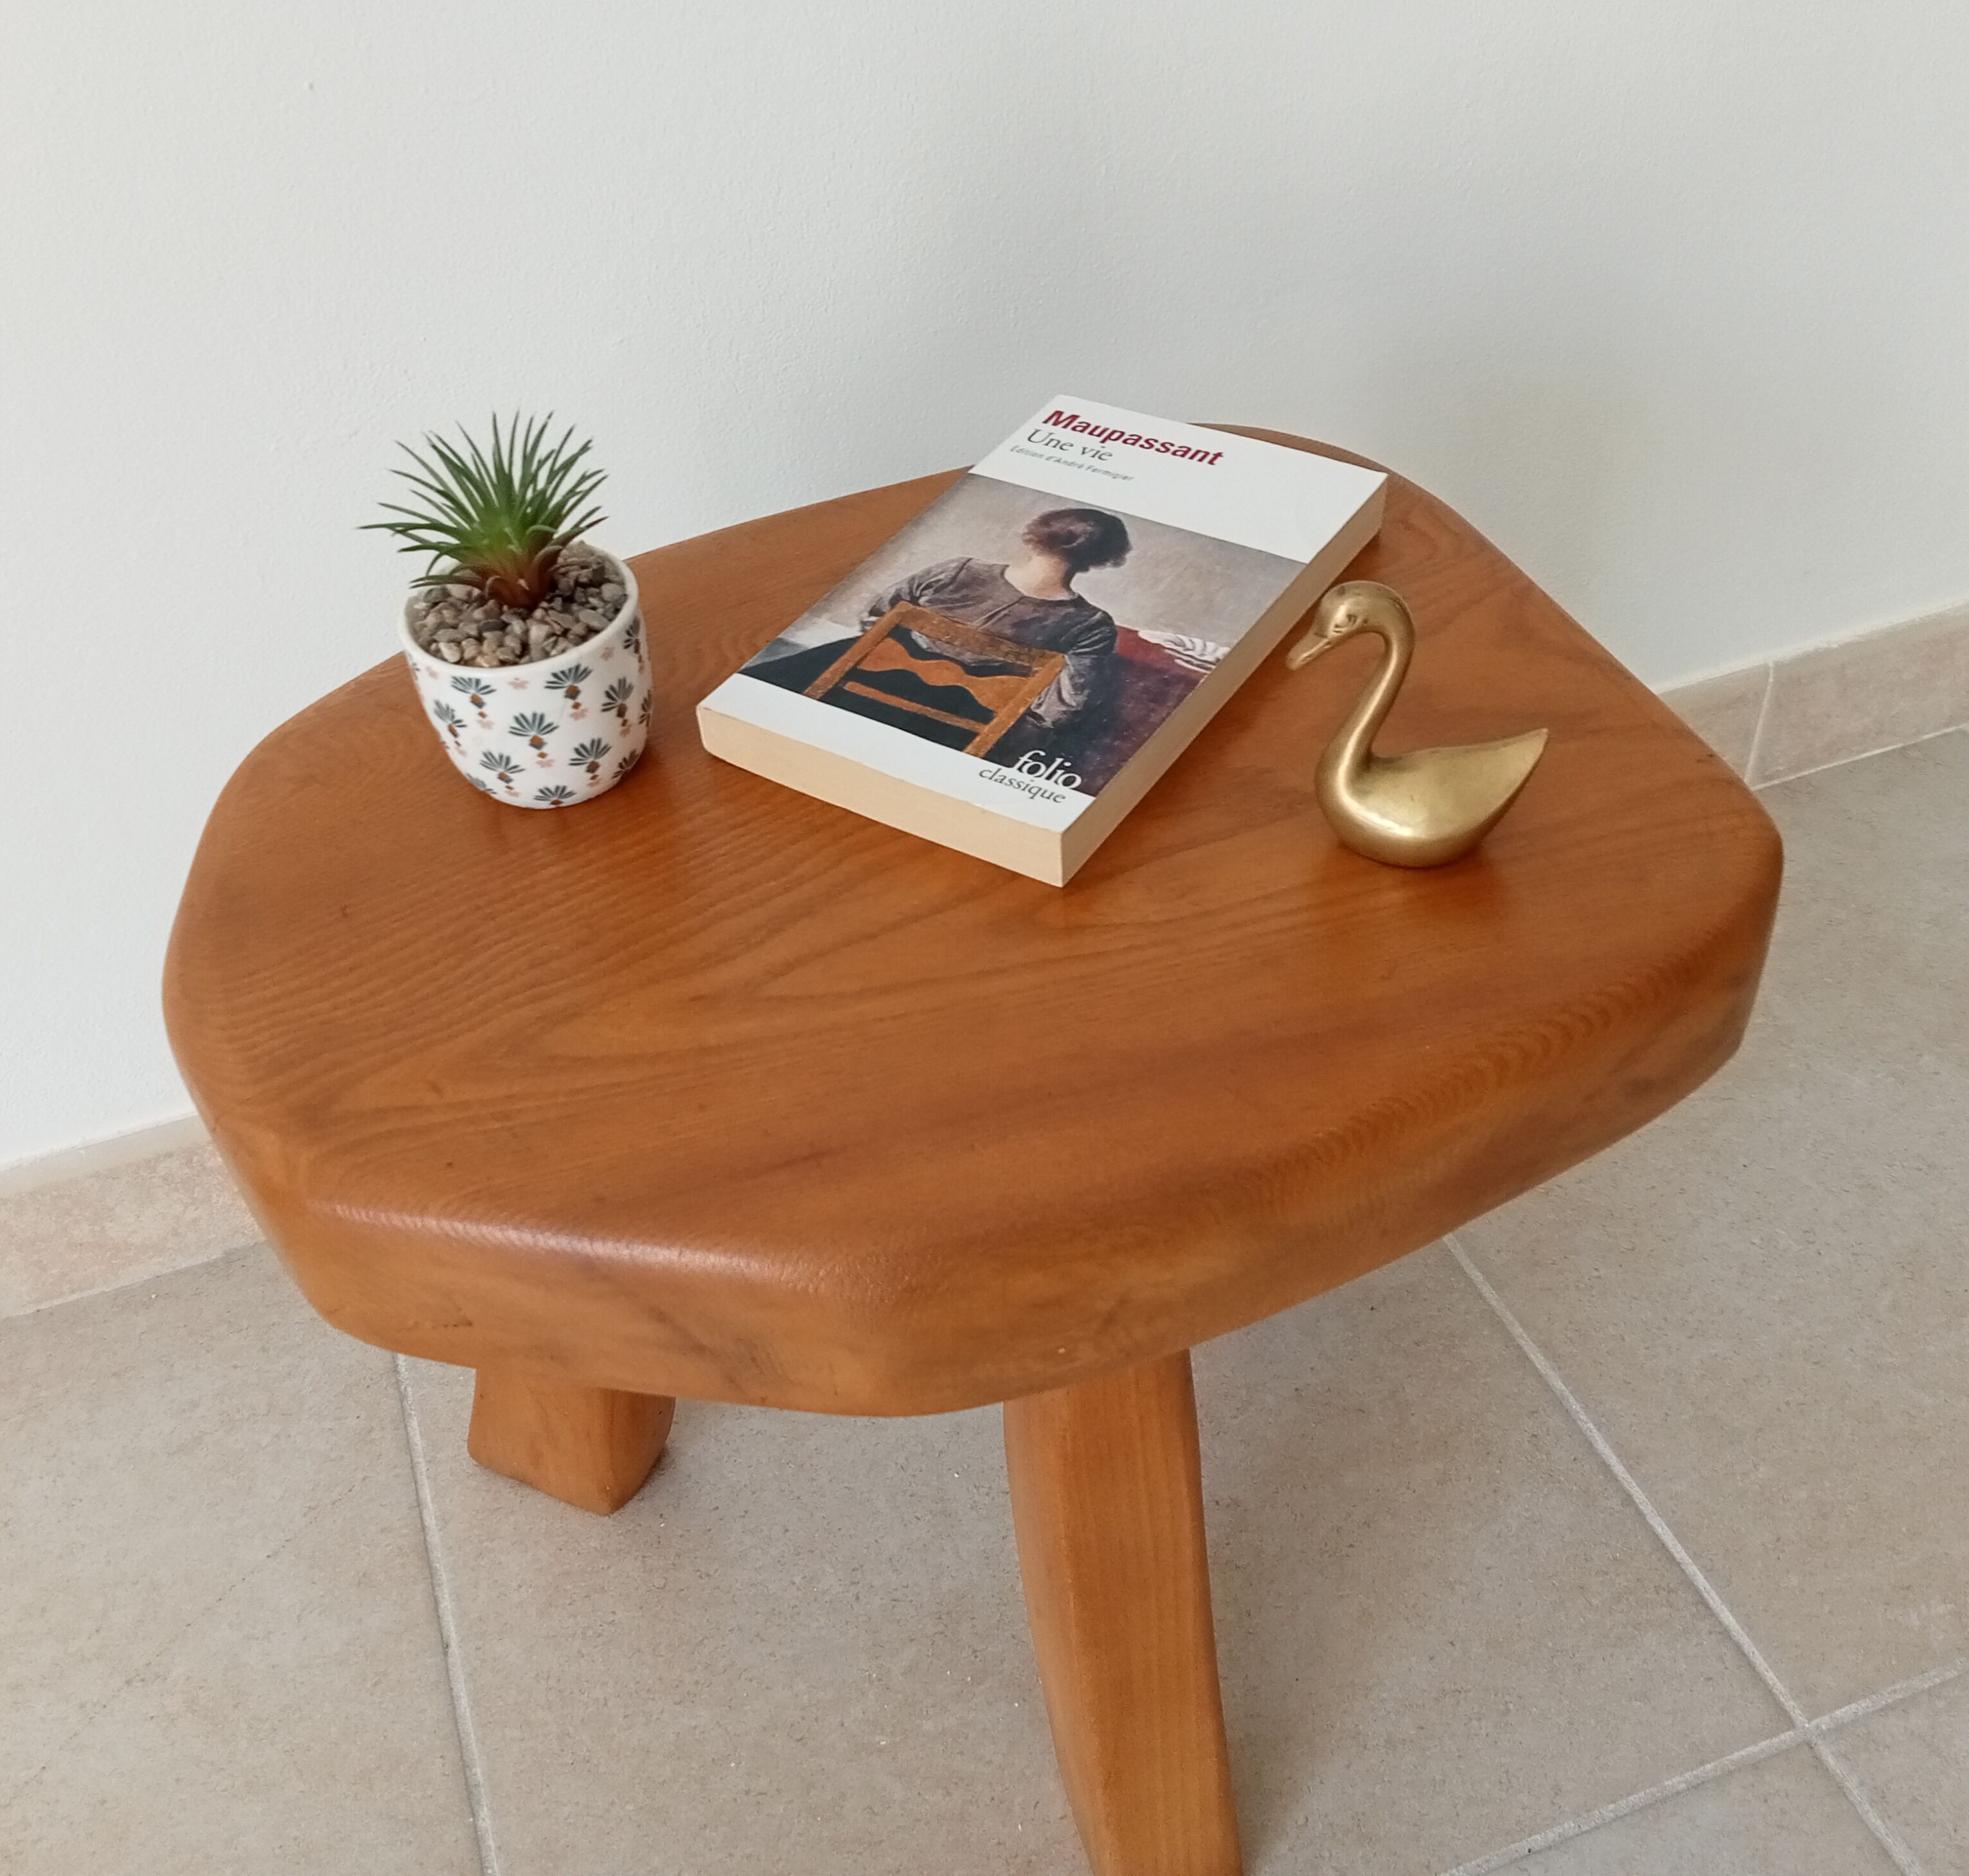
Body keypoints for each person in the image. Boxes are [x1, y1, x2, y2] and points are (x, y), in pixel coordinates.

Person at [754, 507, 1131, 765]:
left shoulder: (958, 570)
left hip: (865, 674)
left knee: (766, 688)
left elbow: (878, 615)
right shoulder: (1092, 624)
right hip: (957, 714)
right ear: (1100, 561)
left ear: (1034, 539)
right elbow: (1069, 702)